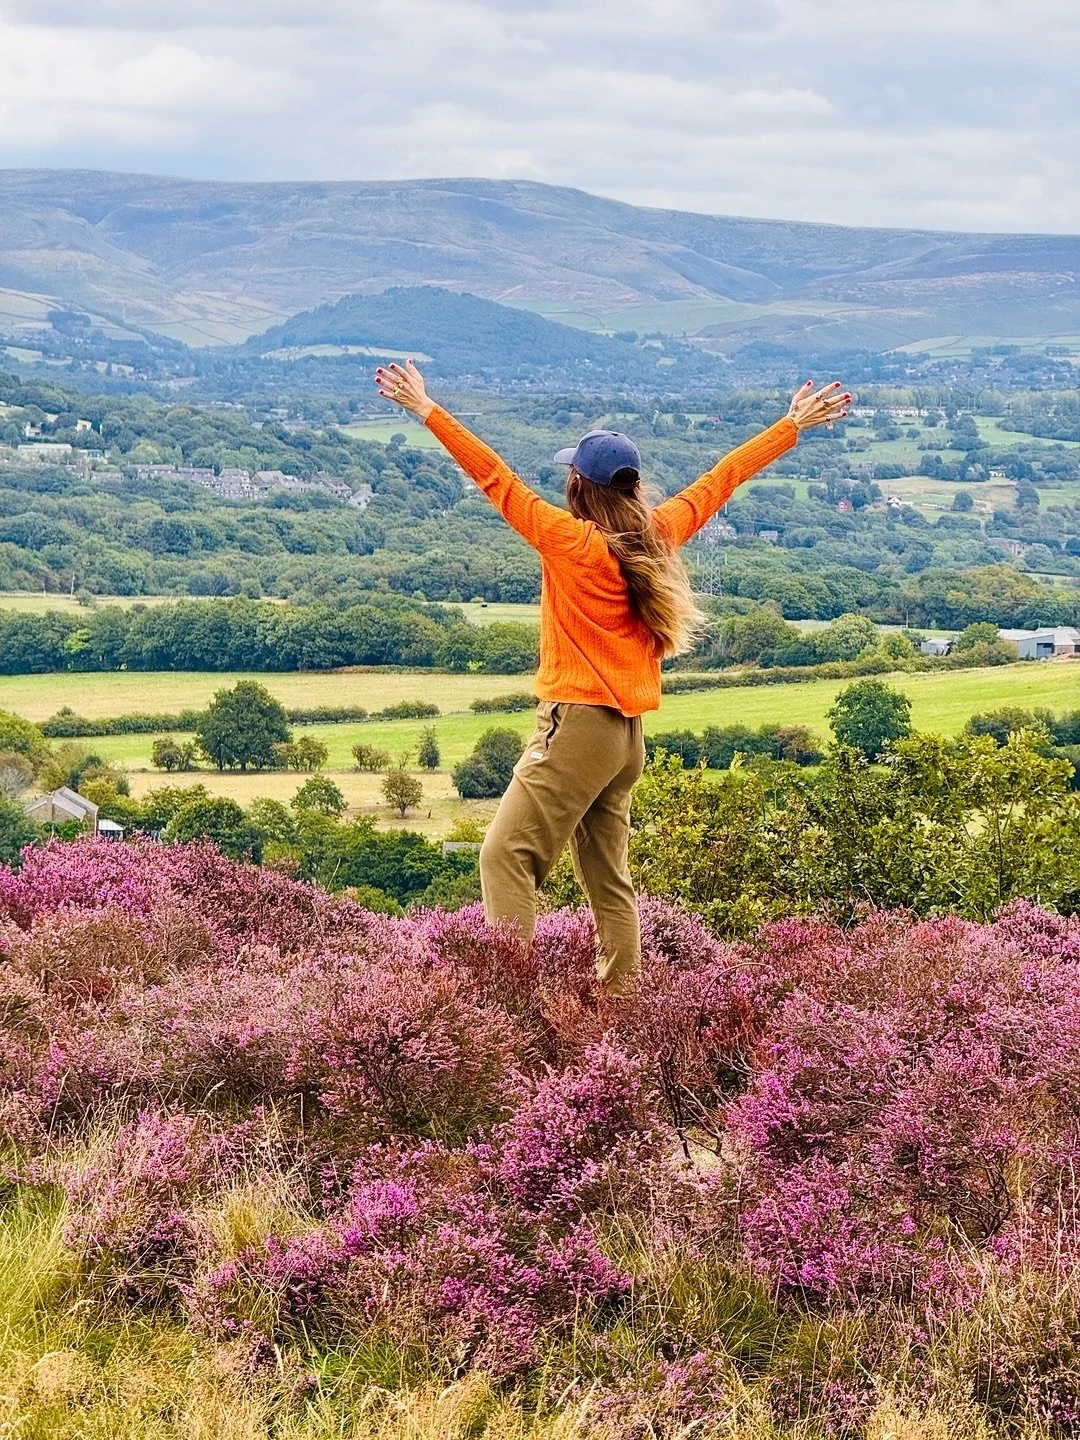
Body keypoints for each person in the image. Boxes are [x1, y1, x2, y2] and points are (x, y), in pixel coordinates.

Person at [375, 360, 850, 997]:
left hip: (578, 726)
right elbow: (721, 479)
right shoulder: (658, 533)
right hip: (626, 739)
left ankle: (506, 1005)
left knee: (504, 855)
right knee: (607, 878)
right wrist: (789, 425)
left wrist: (426, 409)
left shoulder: (569, 542)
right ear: (631, 487)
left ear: (578, 484)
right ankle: (622, 1004)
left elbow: (494, 477)